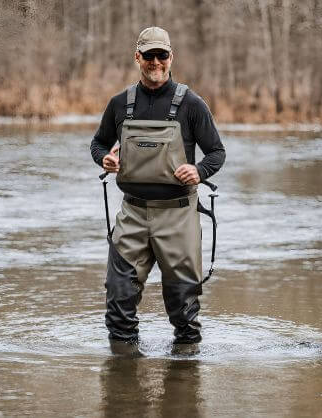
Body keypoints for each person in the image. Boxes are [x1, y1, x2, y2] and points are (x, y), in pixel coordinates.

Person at [90, 27, 226, 344]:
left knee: (184, 314)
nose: (155, 62)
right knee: (118, 308)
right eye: (149, 55)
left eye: (161, 55)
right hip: (132, 215)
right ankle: (123, 387)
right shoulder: (119, 104)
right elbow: (98, 144)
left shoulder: (192, 104)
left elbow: (217, 152)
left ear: (170, 57)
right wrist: (104, 160)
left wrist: (200, 170)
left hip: (178, 217)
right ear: (138, 57)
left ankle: (184, 386)